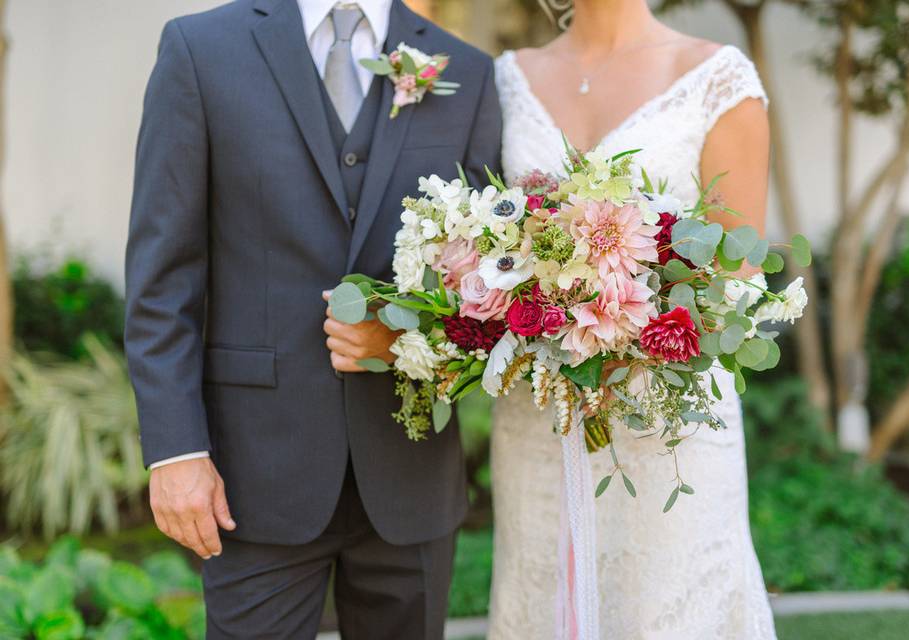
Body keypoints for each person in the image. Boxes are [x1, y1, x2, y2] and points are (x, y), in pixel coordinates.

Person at [124, 1, 500, 637]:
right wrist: (175, 450)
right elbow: (164, 277)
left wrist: (409, 340)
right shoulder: (200, 49)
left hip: (409, 476)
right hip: (252, 477)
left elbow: (494, 280)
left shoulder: (463, 69)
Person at [488, 0, 777, 637]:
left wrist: (632, 334)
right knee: (545, 598)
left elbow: (740, 279)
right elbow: (487, 242)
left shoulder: (716, 77)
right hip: (542, 416)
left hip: (670, 421)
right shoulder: (507, 77)